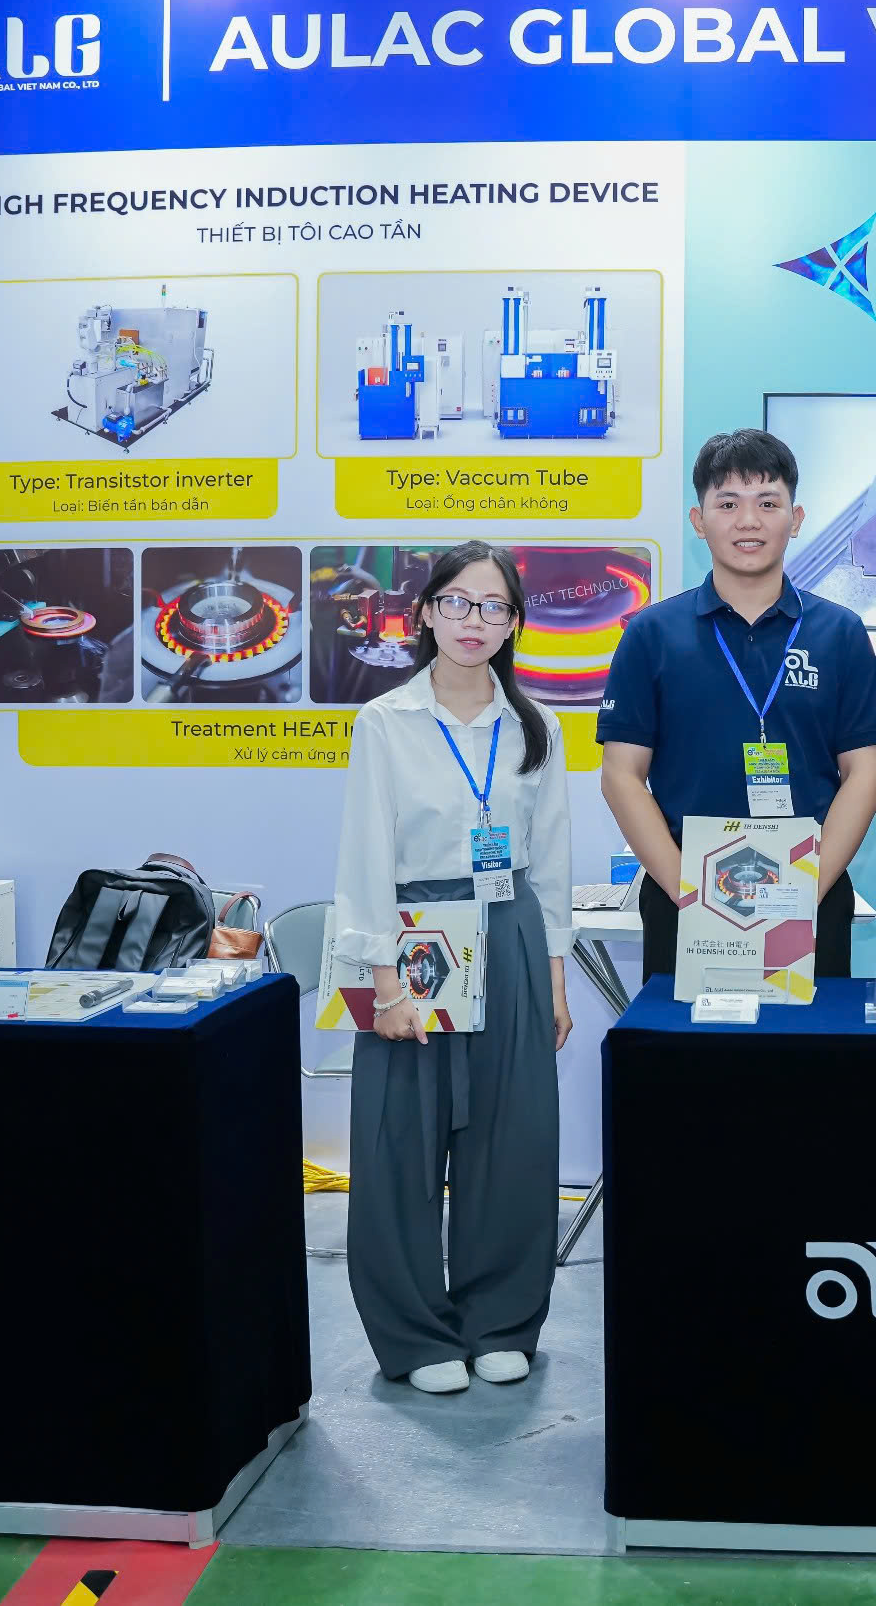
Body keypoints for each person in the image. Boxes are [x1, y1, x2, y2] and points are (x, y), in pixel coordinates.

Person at [331, 540, 570, 1396]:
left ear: (514, 624)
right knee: (399, 1140)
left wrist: (553, 978)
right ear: (427, 612)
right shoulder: (385, 721)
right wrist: (382, 982)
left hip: (508, 929)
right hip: (413, 936)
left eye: (495, 606)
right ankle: (415, 1332)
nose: (475, 621)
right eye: (458, 602)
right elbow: (364, 854)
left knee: (513, 1138)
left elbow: (551, 862)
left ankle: (499, 1320)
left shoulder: (536, 727)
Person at [600, 429, 876, 980]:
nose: (748, 521)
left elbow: (866, 771)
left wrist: (804, 891)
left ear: (796, 519)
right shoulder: (652, 633)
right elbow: (621, 775)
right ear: (698, 520)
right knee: (689, 1040)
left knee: (809, 1036)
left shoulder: (840, 632)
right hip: (683, 896)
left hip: (813, 897)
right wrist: (691, 893)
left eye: (768, 503)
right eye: (728, 504)